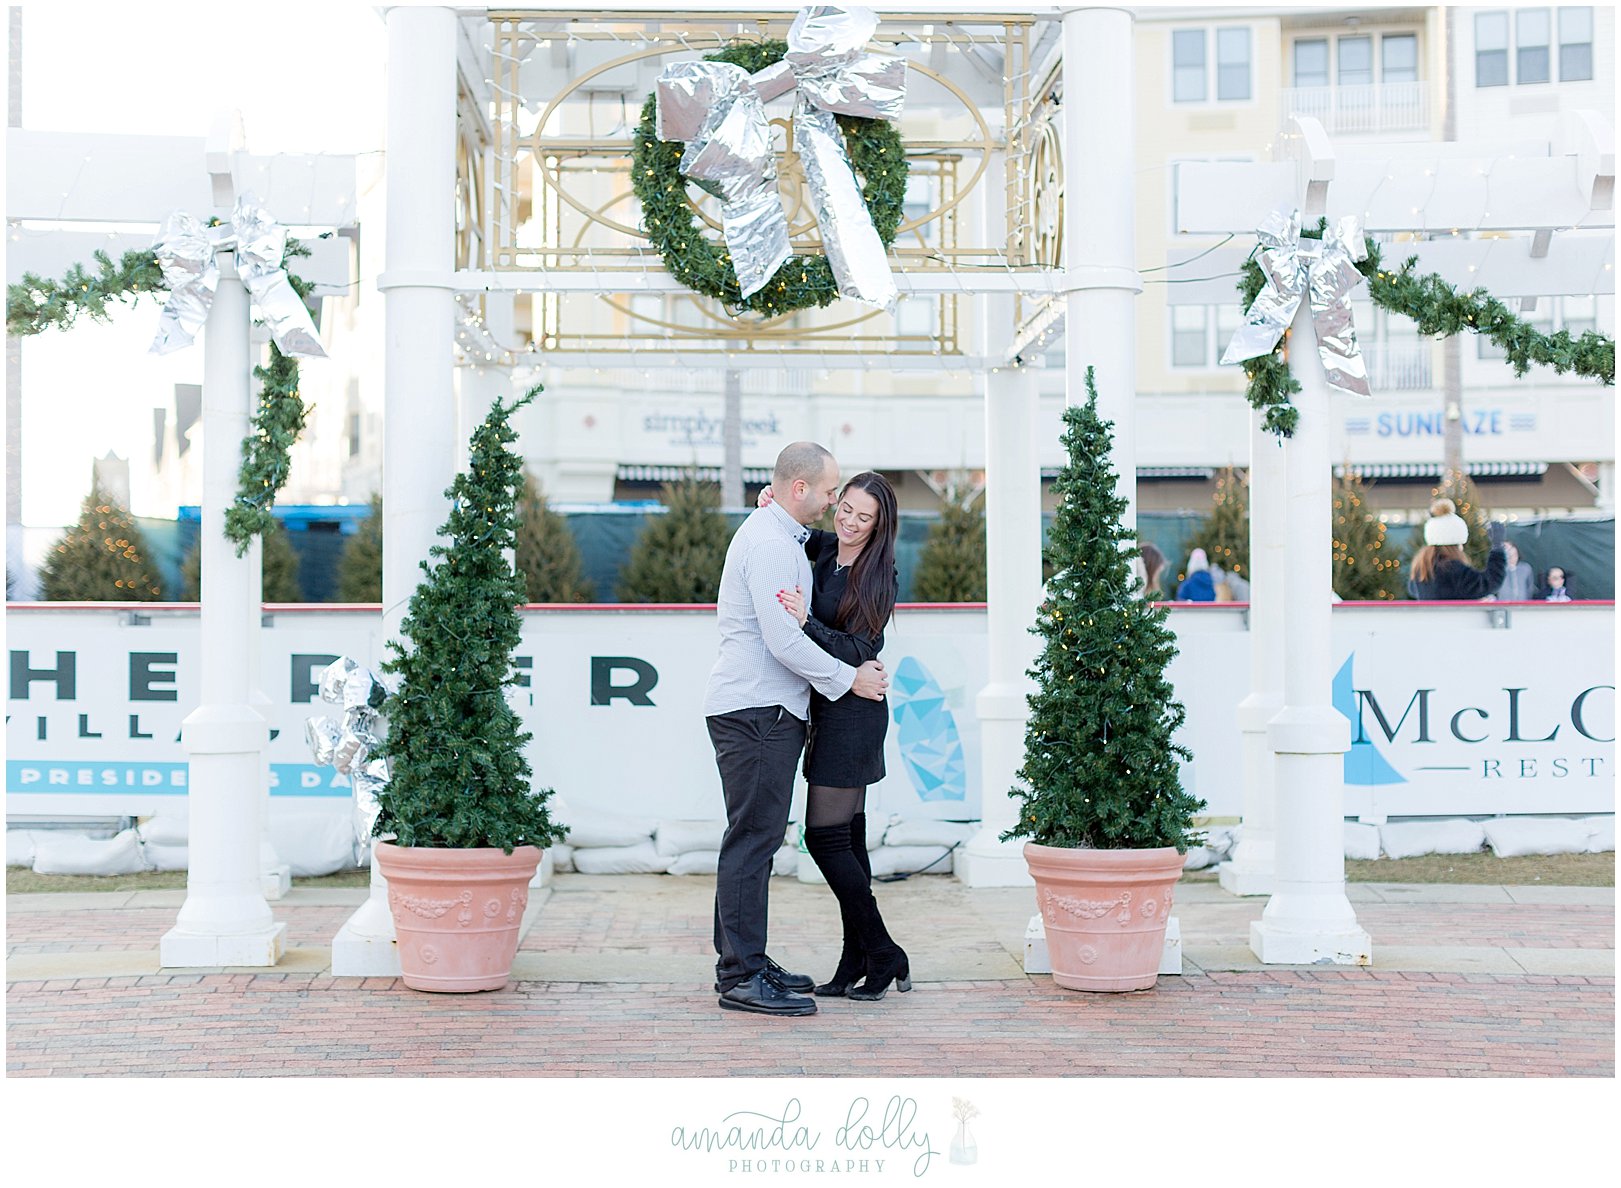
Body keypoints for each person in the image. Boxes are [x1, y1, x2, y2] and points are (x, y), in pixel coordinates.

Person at [705, 442, 889, 1018]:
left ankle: (747, 962)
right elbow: (783, 640)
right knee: (753, 840)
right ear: (800, 489)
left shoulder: (779, 534)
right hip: (758, 711)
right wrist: (848, 678)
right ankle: (740, 973)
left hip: (768, 712)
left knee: (754, 839)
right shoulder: (768, 541)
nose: (838, 503)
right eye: (832, 491)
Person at [766, 472, 910, 1001]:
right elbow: (797, 529)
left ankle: (885, 951)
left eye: (862, 516)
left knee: (824, 839)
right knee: (849, 839)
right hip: (831, 707)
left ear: (880, 525)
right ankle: (857, 960)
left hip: (857, 713)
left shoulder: (880, 574)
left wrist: (807, 624)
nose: (848, 522)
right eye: (844, 508)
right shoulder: (827, 549)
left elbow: (861, 647)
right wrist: (772, 499)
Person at [1406, 498, 1507, 600]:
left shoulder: (1422, 568)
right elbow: (1488, 583)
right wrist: (1497, 548)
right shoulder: (1452, 569)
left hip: (1431, 616)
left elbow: (1412, 590)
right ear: (1455, 545)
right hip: (1454, 616)